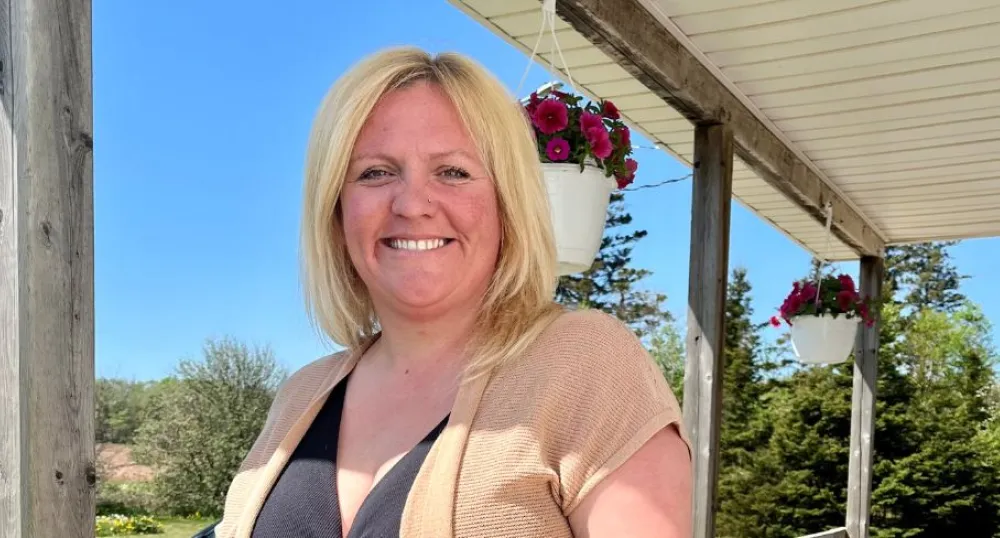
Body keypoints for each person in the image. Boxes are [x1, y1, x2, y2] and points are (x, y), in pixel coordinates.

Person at [215, 46, 691, 538]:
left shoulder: (586, 365)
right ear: (336, 211)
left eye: (453, 172)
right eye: (375, 172)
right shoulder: (299, 396)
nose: (412, 204)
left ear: (508, 202)